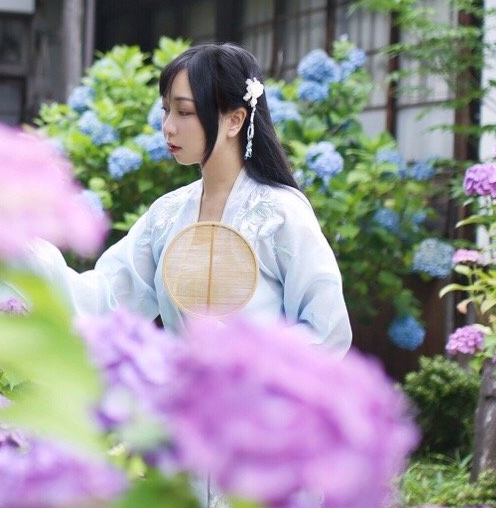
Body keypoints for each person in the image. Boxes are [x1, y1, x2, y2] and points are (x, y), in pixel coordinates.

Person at [27, 42, 350, 350]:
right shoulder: (167, 214)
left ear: (235, 120)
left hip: (260, 401)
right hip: (182, 401)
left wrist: (250, 357)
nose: (167, 127)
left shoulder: (280, 213)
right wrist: (19, 251)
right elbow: (105, 301)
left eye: (184, 112)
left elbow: (326, 331)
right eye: (167, 110)